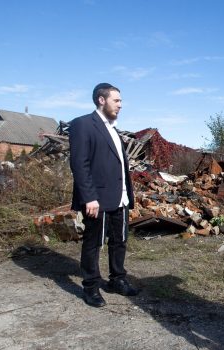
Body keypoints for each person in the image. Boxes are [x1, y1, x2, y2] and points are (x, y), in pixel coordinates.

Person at [69, 83, 139, 307]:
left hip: (120, 197)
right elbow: (80, 164)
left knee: (120, 241)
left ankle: (117, 280)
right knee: (93, 243)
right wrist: (89, 197)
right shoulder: (83, 125)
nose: (121, 104)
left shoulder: (114, 130)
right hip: (97, 199)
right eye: (116, 100)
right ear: (102, 100)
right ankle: (91, 287)